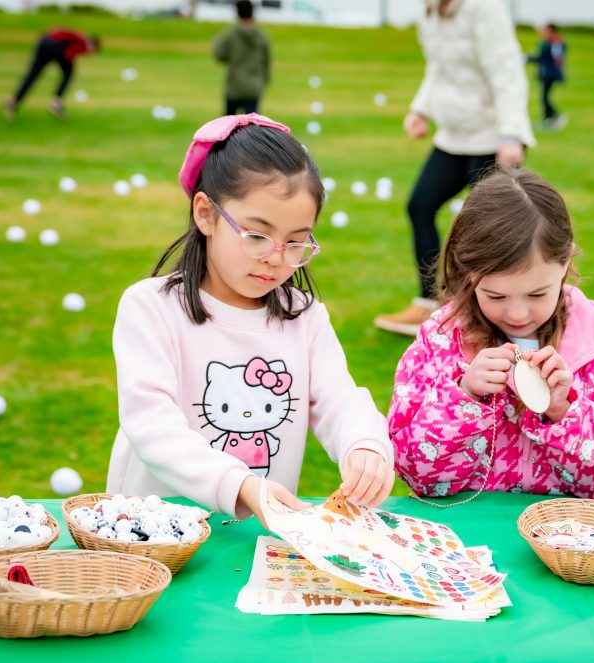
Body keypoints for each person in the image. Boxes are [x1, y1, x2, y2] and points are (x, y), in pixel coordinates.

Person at [107, 114, 396, 525]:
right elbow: (152, 425)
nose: (277, 258)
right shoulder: (151, 308)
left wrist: (364, 444)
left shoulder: (305, 318)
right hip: (155, 535)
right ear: (205, 214)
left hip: (257, 538)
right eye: (257, 236)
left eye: (296, 242)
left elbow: (339, 399)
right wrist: (241, 486)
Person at [388, 168, 594, 503]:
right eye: (496, 296)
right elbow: (414, 471)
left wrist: (565, 412)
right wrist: (464, 396)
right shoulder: (441, 342)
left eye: (537, 294)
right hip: (467, 542)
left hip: (567, 546)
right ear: (466, 272)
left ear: (565, 261)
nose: (517, 314)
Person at [373, 0, 536, 337]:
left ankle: (490, 320)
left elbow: (507, 72)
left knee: (489, 232)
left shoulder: (484, 8)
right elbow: (438, 69)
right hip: (453, 136)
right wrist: (420, 109)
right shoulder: (431, 11)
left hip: (492, 138)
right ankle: (428, 304)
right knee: (420, 206)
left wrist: (510, 134)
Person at [4, 28, 100, 121]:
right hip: (55, 45)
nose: (90, 53)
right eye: (93, 50)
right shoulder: (83, 42)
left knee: (33, 75)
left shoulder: (78, 36)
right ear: (92, 44)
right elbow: (68, 54)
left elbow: (48, 33)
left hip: (44, 42)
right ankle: (56, 104)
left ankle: (13, 102)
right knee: (69, 73)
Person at [212, 0, 271, 116]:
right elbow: (266, 62)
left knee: (228, 128)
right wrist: (263, 81)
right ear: (252, 13)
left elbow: (219, 55)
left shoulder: (230, 35)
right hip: (254, 87)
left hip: (234, 86)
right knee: (253, 128)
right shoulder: (261, 36)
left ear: (237, 14)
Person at [529, 23, 567, 130]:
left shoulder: (555, 43)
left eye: (545, 30)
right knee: (544, 97)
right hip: (546, 74)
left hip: (550, 74)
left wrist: (526, 58)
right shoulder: (549, 43)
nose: (542, 32)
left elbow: (546, 58)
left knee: (545, 97)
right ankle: (547, 120)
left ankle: (556, 116)